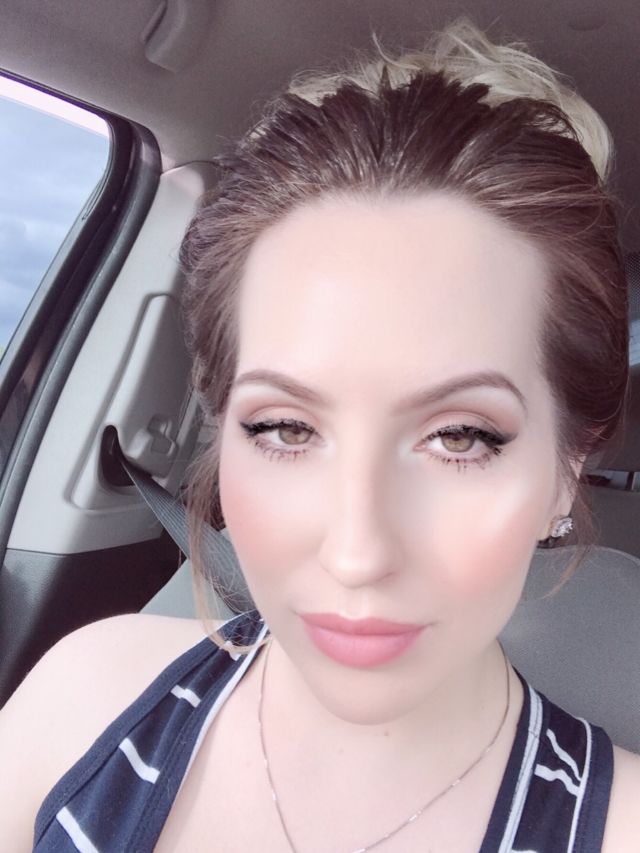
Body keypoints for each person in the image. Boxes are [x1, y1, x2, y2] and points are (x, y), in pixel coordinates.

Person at [1, 17, 639, 853]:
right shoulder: (81, 703)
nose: (355, 553)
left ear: (568, 463)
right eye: (285, 427)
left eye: (460, 437)